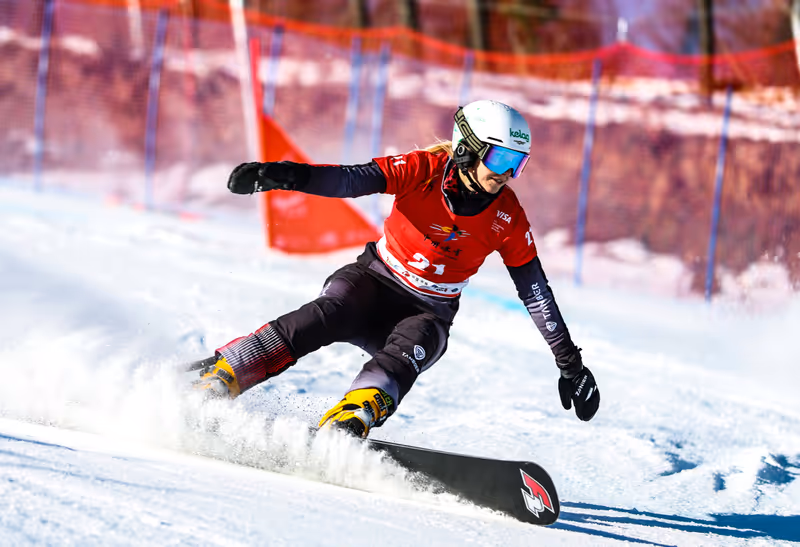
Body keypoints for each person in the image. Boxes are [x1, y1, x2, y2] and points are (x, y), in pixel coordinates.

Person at [190, 99, 600, 438]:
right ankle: (223, 376)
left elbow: (536, 292)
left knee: (408, 355)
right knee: (326, 315)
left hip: (429, 311)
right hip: (373, 282)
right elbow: (352, 181)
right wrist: (285, 175)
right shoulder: (423, 169)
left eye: (519, 163)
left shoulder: (508, 217)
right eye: (502, 158)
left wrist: (570, 363)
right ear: (467, 149)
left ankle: (351, 420)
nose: (508, 174)